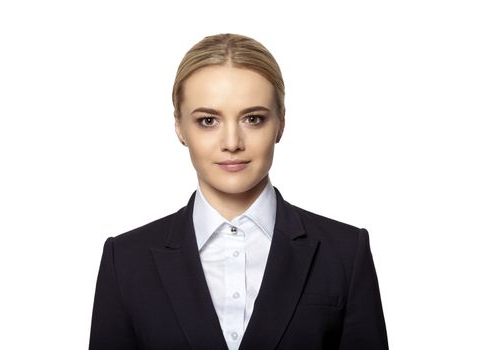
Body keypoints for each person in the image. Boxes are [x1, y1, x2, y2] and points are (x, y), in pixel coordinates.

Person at [89, 33, 388, 350]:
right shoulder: (125, 261)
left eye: (253, 118)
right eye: (208, 120)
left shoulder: (344, 253)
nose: (232, 142)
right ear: (179, 126)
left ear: (280, 124)